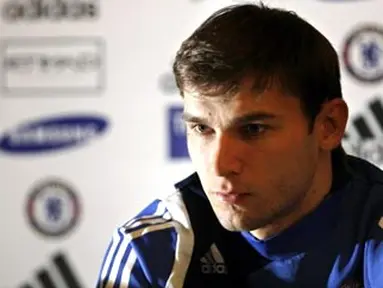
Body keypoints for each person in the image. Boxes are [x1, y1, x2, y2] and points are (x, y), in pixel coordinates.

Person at [96, 3, 383, 287]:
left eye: (253, 129)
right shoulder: (151, 252)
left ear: (328, 125)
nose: (220, 165)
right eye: (202, 128)